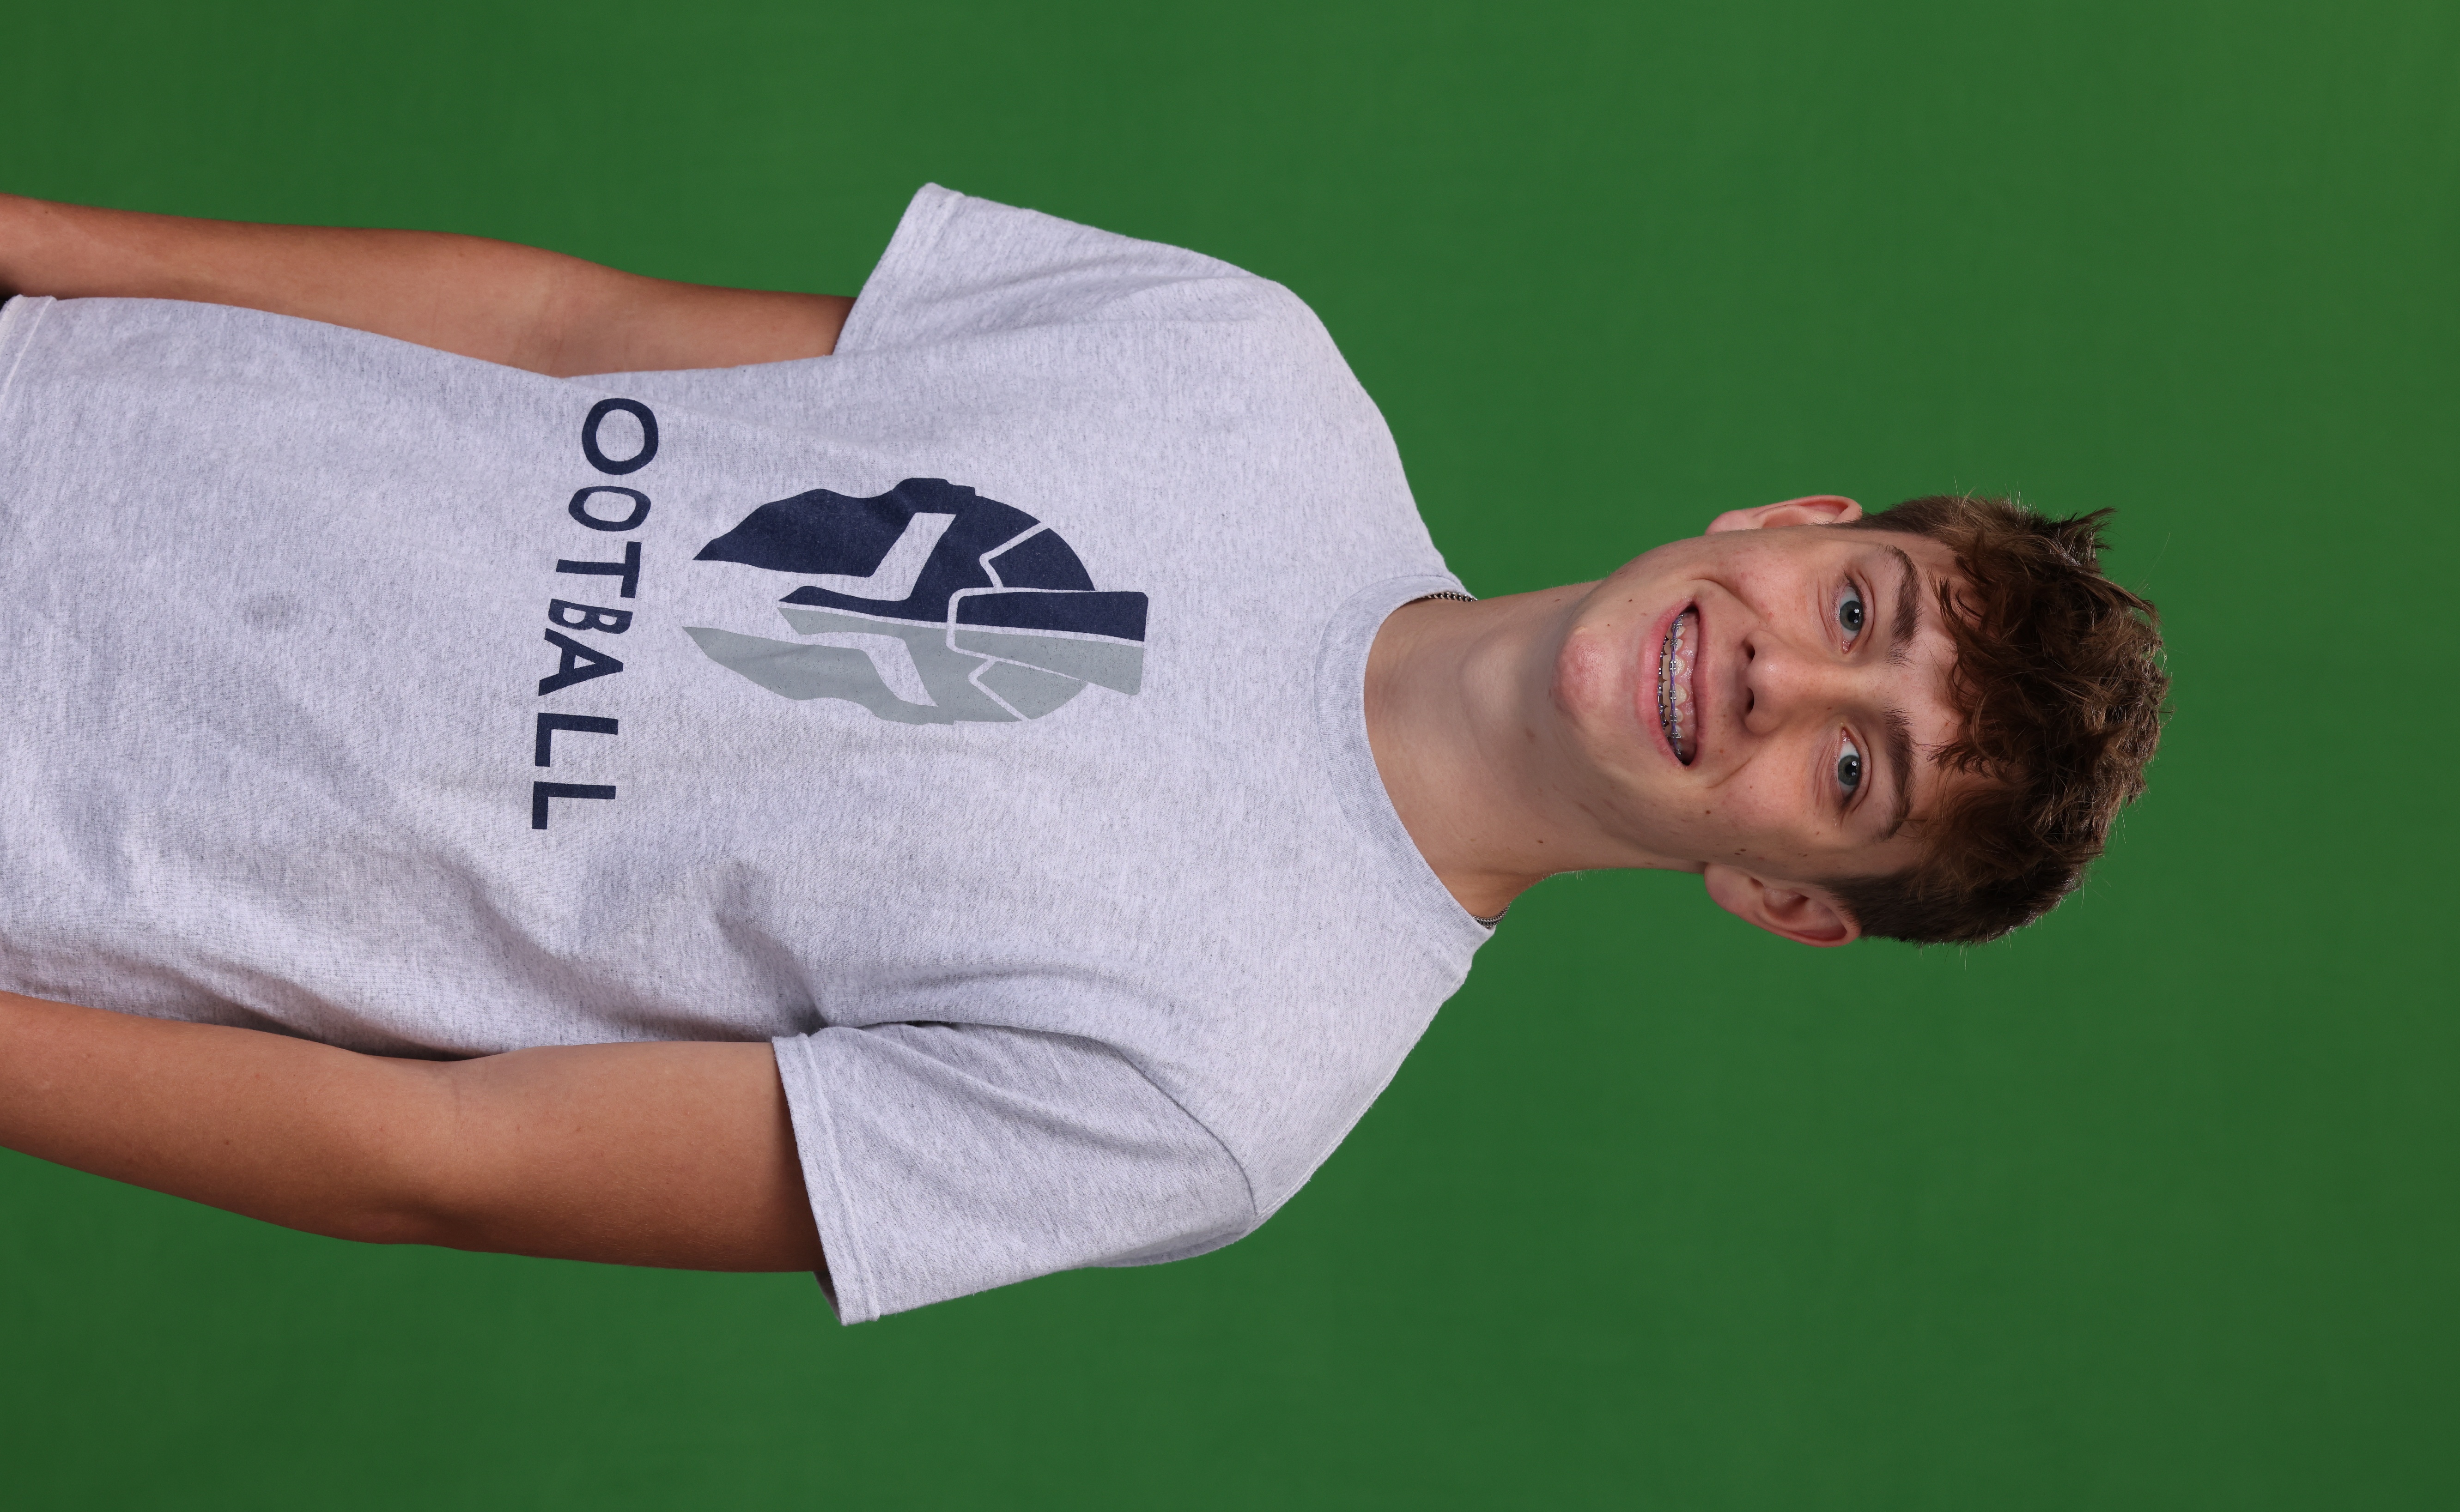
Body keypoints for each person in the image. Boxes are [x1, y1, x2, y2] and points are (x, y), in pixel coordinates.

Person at [0, 187, 2166, 1322]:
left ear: (1785, 897)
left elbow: (437, 1157)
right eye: (1861, 611)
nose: (1789, 683)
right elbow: (575, 333)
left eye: (1857, 780)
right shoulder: (1239, 359)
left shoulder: (1223, 1094)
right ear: (1789, 524)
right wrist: (37, 252)